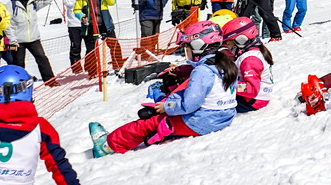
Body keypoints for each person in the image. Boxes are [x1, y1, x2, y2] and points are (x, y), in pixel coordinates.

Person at [90, 22, 239, 155]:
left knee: (149, 122)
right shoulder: (225, 64)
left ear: (198, 46)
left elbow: (190, 105)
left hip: (203, 122)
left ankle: (108, 145)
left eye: (186, 47)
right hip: (224, 117)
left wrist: (166, 107)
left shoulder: (202, 71)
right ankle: (166, 130)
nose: (185, 51)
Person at [6, 0, 55, 82]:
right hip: (19, 40)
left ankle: (50, 80)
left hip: (33, 38)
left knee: (42, 58)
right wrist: (12, 40)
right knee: (18, 63)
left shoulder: (32, 2)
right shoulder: (10, 5)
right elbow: (7, 25)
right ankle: (19, 83)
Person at [221, 17, 273, 112]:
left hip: (253, 101)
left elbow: (251, 89)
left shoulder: (250, 59)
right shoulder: (252, 51)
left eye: (228, 44)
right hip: (252, 97)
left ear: (240, 40)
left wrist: (228, 84)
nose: (227, 47)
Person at [76, 0, 124, 70]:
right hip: (90, 25)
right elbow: (76, 9)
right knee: (91, 50)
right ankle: (92, 71)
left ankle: (118, 67)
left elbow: (112, 2)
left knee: (114, 46)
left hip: (105, 24)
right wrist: (82, 17)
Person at [62, 0, 96, 69]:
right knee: (76, 46)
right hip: (74, 24)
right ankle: (76, 67)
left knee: (90, 46)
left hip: (86, 22)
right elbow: (69, 4)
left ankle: (90, 66)